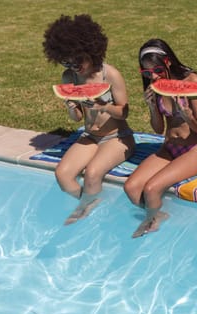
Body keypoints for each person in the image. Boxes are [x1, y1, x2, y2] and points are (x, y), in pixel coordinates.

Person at [42, 14, 135, 225]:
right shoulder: (69, 78)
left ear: (89, 50)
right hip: (90, 136)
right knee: (63, 175)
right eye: (68, 62)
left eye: (77, 60)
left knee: (93, 173)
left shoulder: (110, 74)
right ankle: (94, 205)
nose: (75, 67)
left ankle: (86, 211)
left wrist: (104, 106)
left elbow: (124, 112)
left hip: (117, 137)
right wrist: (70, 106)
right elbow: (76, 119)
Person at [123, 38, 197, 238]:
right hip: (168, 148)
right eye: (147, 72)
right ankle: (159, 216)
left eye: (157, 70)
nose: (153, 76)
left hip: (194, 150)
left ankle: (153, 229)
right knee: (131, 187)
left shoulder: (192, 82)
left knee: (152, 188)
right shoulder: (155, 87)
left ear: (168, 62)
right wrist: (153, 107)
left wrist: (186, 113)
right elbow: (158, 128)